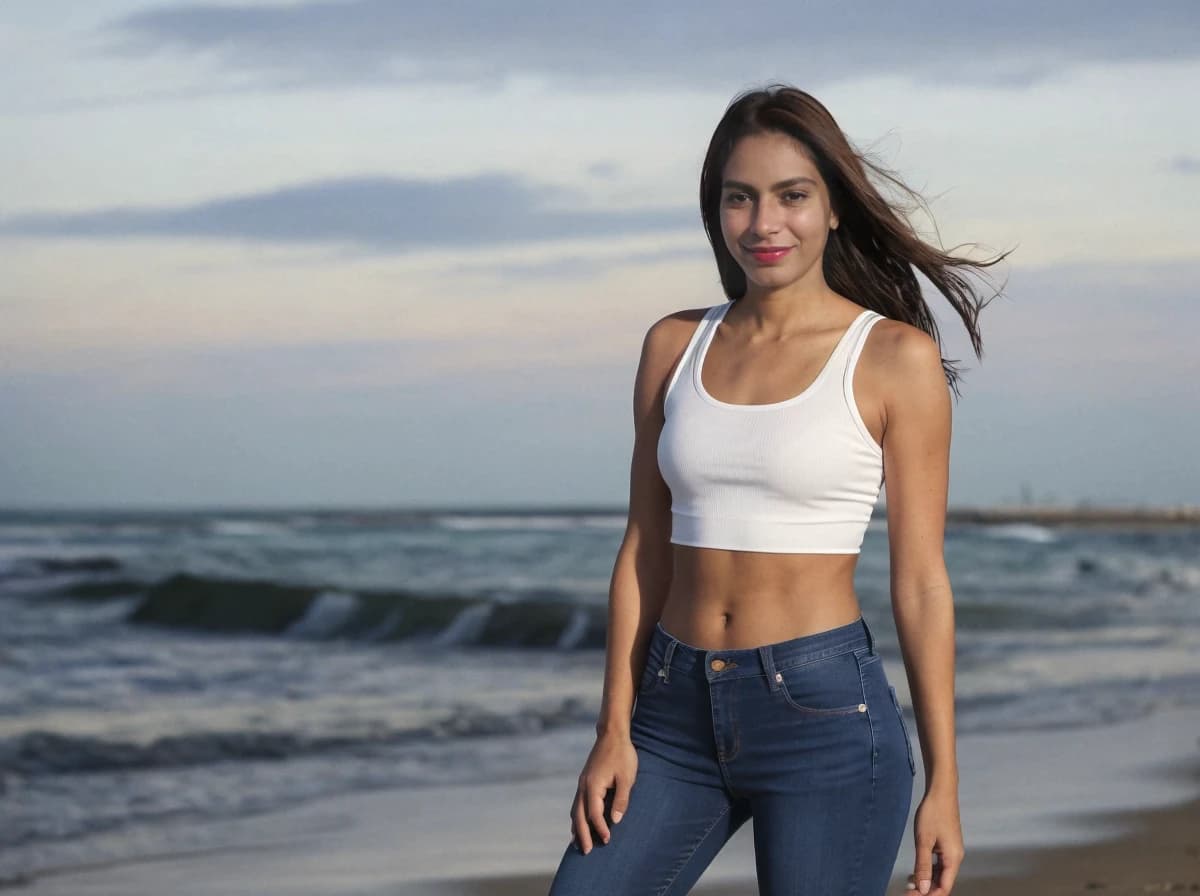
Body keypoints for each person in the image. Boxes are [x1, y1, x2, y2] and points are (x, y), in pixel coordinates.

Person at [546, 83, 1009, 896]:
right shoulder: (673, 346)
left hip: (825, 718)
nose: (764, 224)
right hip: (670, 713)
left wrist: (946, 784)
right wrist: (613, 725)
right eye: (740, 199)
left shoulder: (892, 359)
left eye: (792, 196)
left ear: (833, 207)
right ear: (716, 211)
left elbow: (923, 582)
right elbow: (645, 548)